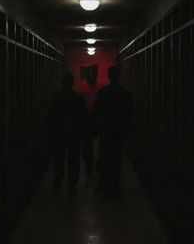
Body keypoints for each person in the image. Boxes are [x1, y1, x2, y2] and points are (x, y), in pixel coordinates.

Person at [93, 66, 133, 197]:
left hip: (106, 130)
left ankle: (103, 185)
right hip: (118, 131)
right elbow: (129, 113)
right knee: (116, 158)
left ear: (109, 76)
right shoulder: (125, 93)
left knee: (105, 157)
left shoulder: (103, 92)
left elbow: (97, 111)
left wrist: (96, 129)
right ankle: (115, 185)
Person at [47, 72, 88, 195]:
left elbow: (51, 116)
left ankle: (58, 181)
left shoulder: (56, 97)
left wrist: (51, 132)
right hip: (74, 134)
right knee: (74, 160)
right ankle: (72, 185)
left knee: (59, 159)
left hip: (59, 134)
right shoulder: (77, 98)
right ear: (72, 83)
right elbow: (83, 116)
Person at [75, 66, 103, 175]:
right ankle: (89, 161)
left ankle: (95, 161)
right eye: (90, 73)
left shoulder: (99, 86)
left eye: (93, 73)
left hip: (96, 117)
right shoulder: (81, 85)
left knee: (95, 142)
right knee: (87, 142)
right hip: (85, 118)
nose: (91, 75)